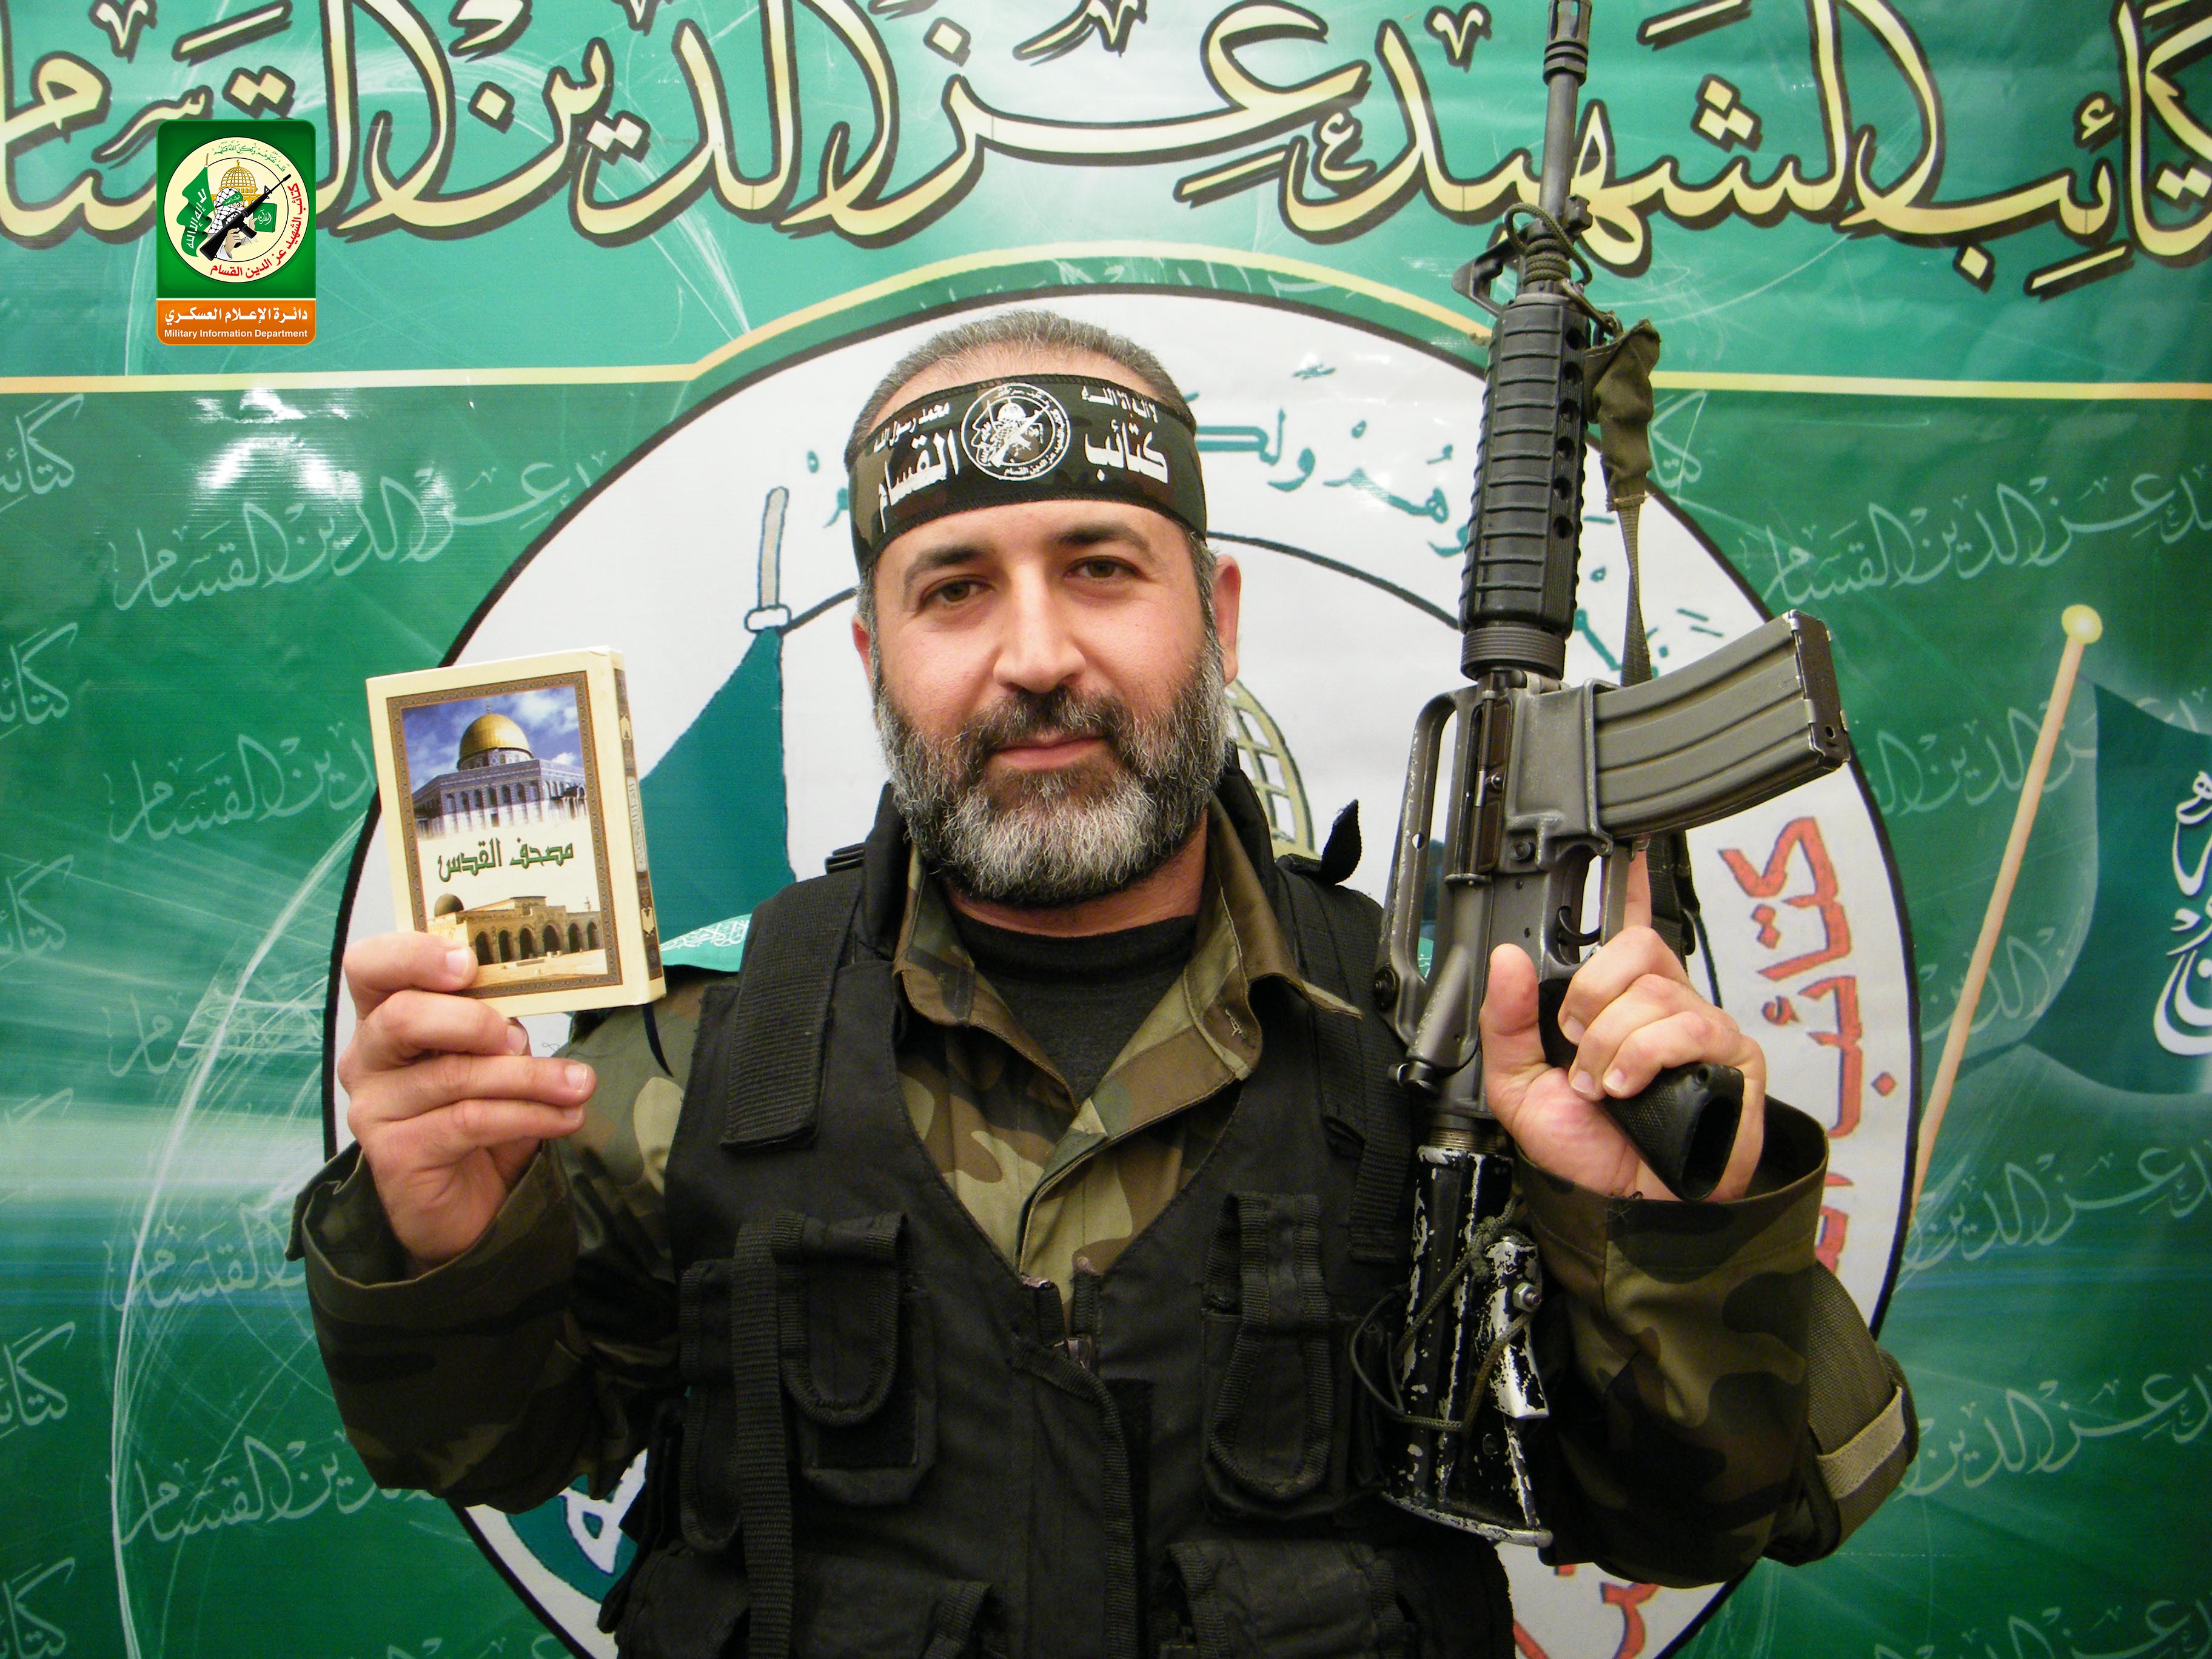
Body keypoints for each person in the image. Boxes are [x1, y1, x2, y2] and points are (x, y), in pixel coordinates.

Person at [292, 309, 1912, 1659]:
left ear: (1217, 616)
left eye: (1101, 568)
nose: (1038, 655)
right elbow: (487, 1444)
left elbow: (1749, 1505)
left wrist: (1664, 1233)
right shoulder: (695, 1057)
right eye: (954, 589)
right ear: (872, 660)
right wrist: (441, 1248)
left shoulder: (1454, 1049)